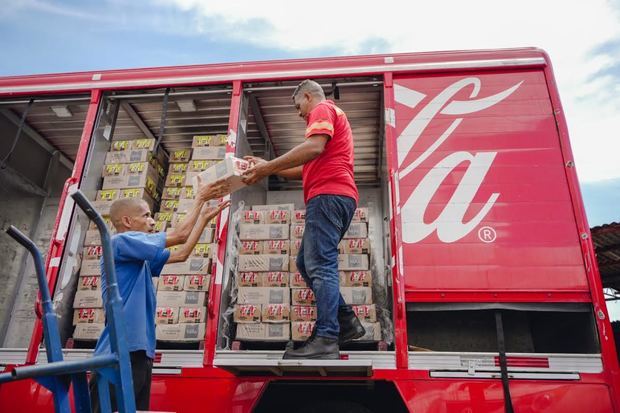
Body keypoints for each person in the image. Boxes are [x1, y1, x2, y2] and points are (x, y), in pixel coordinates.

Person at [242, 79, 365, 360]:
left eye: (298, 106)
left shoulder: (322, 108)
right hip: (336, 195)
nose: (299, 113)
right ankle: (346, 322)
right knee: (306, 263)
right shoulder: (332, 117)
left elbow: (313, 149)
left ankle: (326, 338)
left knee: (320, 265)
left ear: (308, 97)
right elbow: (304, 167)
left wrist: (267, 168)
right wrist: (267, 167)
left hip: (328, 194)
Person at [89, 176, 230, 412]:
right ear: (126, 220)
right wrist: (200, 198)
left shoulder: (138, 258)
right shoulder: (120, 242)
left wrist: (203, 220)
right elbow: (180, 236)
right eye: (145, 216)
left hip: (140, 353)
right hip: (119, 354)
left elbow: (182, 254)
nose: (152, 222)